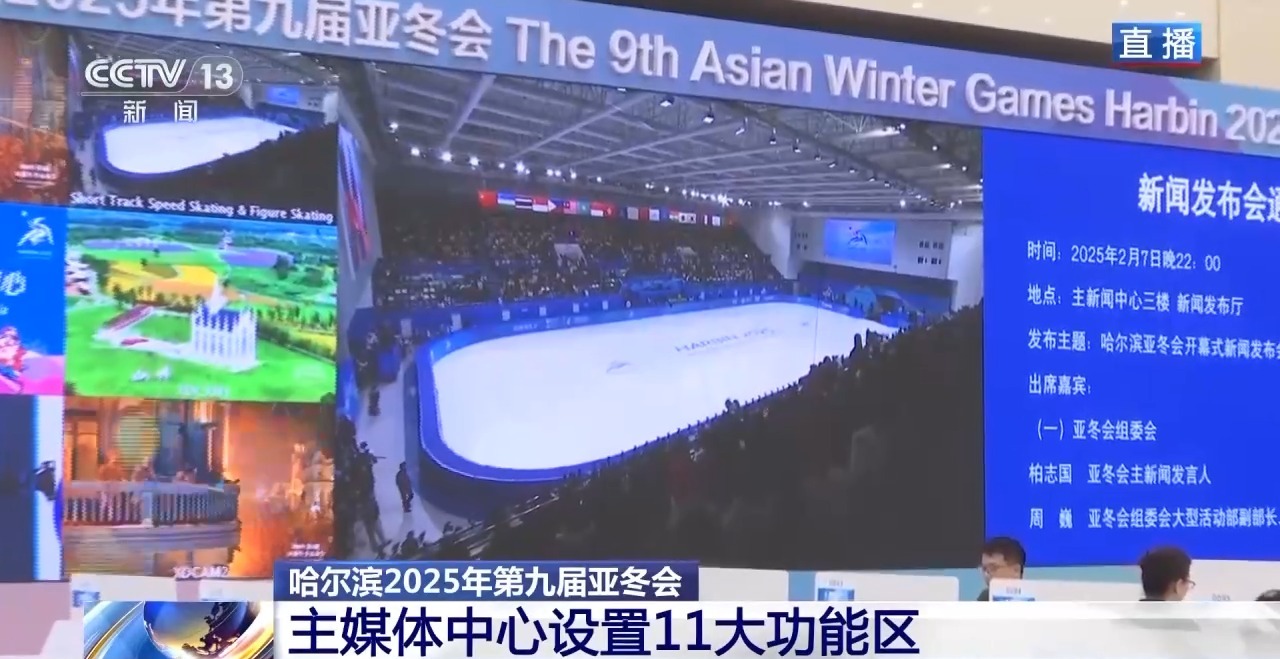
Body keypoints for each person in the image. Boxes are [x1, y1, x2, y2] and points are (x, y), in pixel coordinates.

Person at [976, 536, 1025, 601]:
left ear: (1016, 570)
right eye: (984, 569)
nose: (986, 575)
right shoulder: (985, 597)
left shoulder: (1035, 596)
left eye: (993, 568)